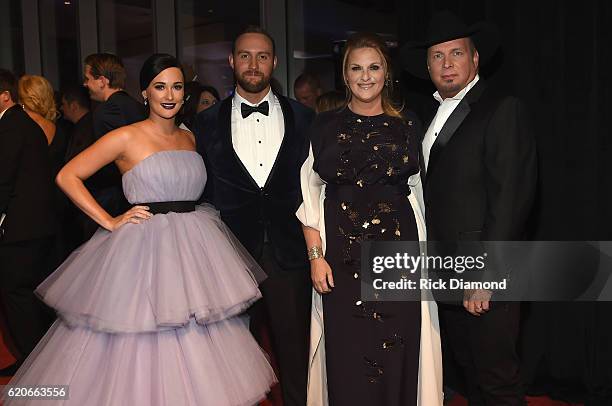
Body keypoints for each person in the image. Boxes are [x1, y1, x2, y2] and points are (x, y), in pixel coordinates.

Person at [3, 54, 275, 405]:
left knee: (196, 338)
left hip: (195, 249)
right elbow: (67, 176)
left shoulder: (189, 137)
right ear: (145, 92)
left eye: (176, 87)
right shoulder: (125, 137)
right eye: (160, 86)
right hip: (143, 251)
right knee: (138, 336)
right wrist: (109, 219)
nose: (169, 94)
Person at [297, 32, 442, 406]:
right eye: (356, 68)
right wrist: (316, 258)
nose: (365, 76)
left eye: (374, 67)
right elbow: (308, 195)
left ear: (386, 73)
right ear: (344, 76)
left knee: (399, 350)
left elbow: (423, 197)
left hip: (398, 257)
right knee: (347, 354)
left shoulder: (410, 124)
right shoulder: (323, 126)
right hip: (340, 261)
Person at [401, 10, 537, 406]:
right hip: (443, 271)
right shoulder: (428, 118)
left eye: (456, 54)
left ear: (475, 59)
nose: (447, 64)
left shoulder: (501, 109)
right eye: (437, 56)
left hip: (483, 273)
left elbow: (511, 199)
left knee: (497, 380)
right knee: (470, 378)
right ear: (426, 66)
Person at [194, 26, 314, 406]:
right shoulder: (205, 122)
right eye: (245, 55)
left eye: (262, 56)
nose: (253, 63)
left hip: (289, 253)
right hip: (229, 256)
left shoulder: (307, 118)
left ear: (274, 63)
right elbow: (199, 188)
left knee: (295, 354)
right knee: (230, 355)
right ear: (231, 62)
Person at [0, 69, 56, 377]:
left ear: (5, 96)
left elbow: (3, 179)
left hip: (22, 228)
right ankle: (35, 357)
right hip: (36, 226)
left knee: (16, 293)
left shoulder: (11, 126)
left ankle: (34, 362)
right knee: (25, 293)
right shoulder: (23, 123)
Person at [82, 53, 145, 217]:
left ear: (102, 81)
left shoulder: (105, 111)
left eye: (88, 79)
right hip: (141, 194)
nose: (85, 84)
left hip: (116, 199)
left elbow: (109, 163)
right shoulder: (138, 107)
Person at [60, 85, 98, 251]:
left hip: (92, 198)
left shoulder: (88, 127)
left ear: (73, 105)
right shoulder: (76, 127)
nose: (61, 109)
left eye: (63, 104)